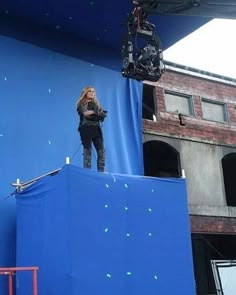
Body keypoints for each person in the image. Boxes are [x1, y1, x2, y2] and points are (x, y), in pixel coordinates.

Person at [76, 86, 107, 172]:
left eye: (93, 91)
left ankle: (101, 172)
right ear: (85, 93)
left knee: (101, 151)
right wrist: (96, 113)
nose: (92, 93)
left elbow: (102, 116)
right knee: (87, 152)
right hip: (86, 129)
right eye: (89, 91)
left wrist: (99, 114)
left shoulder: (96, 104)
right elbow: (86, 113)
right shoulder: (81, 103)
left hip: (96, 129)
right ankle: (87, 172)